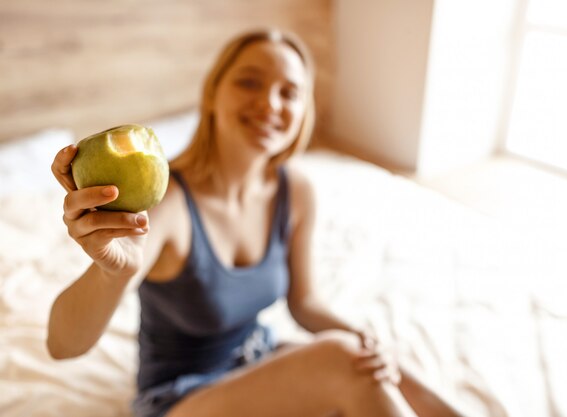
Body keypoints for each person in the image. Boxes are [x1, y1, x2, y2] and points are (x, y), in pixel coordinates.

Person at [48, 28, 465, 417]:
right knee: (343, 360)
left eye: (289, 92)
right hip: (180, 397)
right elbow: (62, 346)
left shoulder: (295, 190)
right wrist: (112, 273)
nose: (269, 103)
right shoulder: (170, 203)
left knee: (373, 362)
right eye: (249, 82)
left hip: (256, 361)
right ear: (213, 93)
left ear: (303, 111)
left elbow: (306, 304)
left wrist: (367, 339)